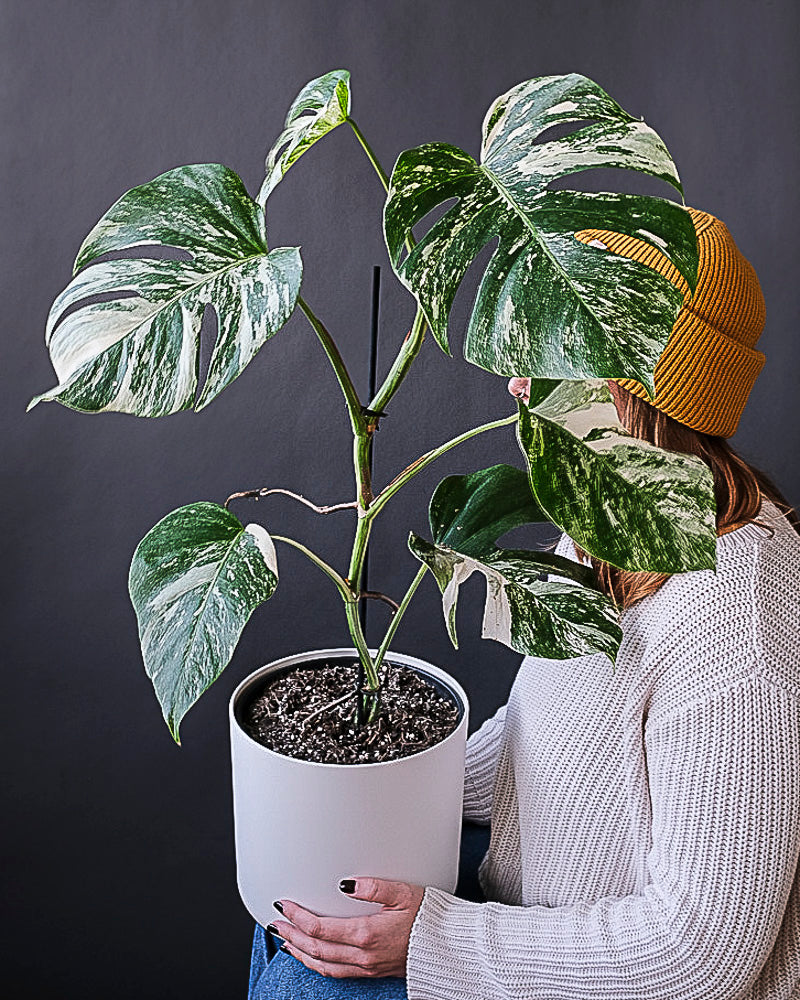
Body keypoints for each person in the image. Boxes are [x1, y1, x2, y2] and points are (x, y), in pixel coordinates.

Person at [248, 208, 800, 999]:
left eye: (551, 343)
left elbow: (700, 953)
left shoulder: (733, 611)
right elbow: (548, 744)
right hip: (530, 913)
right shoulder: (605, 525)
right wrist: (362, 776)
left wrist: (437, 943)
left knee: (315, 982)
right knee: (297, 903)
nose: (515, 380)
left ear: (631, 383)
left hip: (607, 972)